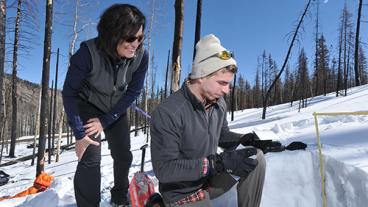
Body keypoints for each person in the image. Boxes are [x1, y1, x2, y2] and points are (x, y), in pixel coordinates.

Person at [150, 34, 266, 207]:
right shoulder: (169, 111)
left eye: (228, 84)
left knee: (256, 158)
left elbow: (221, 135)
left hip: (210, 180)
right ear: (202, 75)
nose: (226, 90)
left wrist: (242, 139)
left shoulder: (219, 103)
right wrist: (216, 163)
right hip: (182, 193)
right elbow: (164, 169)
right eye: (222, 83)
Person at [62, 4, 147, 207]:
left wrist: (107, 119)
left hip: (115, 108)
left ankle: (119, 194)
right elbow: (69, 93)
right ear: (112, 35)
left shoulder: (141, 57)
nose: (135, 44)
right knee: (90, 156)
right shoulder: (86, 54)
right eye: (130, 38)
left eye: (140, 38)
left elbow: (133, 92)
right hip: (87, 105)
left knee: (124, 154)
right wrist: (79, 134)